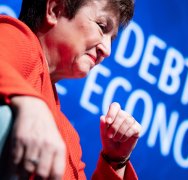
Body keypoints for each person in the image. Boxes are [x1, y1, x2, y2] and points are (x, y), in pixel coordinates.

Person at [0, 0, 142, 179]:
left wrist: (116, 161)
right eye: (102, 26)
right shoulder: (18, 38)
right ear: (55, 9)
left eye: (112, 39)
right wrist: (31, 104)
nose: (107, 50)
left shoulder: (70, 139)